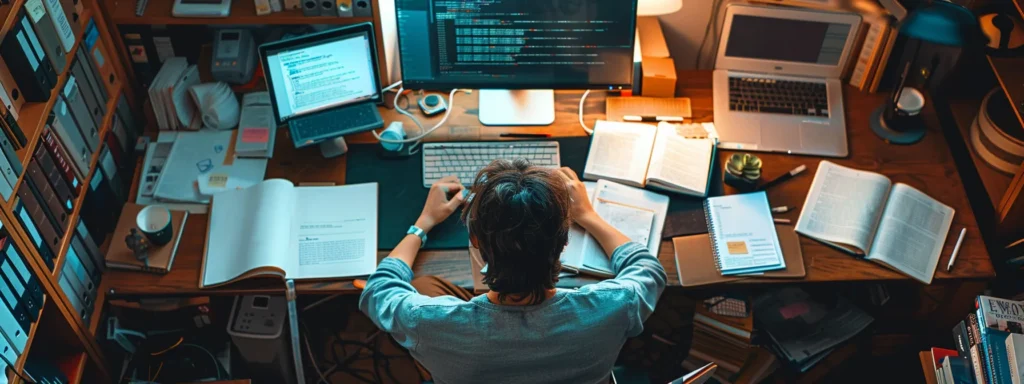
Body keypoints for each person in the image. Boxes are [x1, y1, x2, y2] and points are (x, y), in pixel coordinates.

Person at [359, 159, 667, 384]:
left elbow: (379, 288)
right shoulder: (614, 306)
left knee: (424, 285)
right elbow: (648, 268)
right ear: (563, 241)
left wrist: (423, 223)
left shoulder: (427, 322)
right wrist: (588, 215)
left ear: (475, 240)